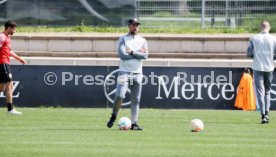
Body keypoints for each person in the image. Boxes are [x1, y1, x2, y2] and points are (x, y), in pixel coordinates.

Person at [107, 18, 148, 130]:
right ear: (129, 26)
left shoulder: (143, 40)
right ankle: (114, 115)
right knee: (120, 95)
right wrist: (138, 54)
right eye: (133, 25)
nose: (135, 27)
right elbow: (122, 55)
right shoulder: (123, 39)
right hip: (124, 72)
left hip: (137, 73)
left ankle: (134, 123)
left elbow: (145, 56)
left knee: (136, 99)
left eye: (137, 25)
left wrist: (132, 52)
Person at [247, 20, 276, 124]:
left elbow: (249, 53)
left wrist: (257, 55)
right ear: (269, 28)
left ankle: (263, 115)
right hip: (269, 68)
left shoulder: (253, 38)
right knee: (267, 91)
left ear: (260, 27)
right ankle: (267, 114)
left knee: (260, 92)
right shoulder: (274, 39)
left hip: (257, 67)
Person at [0, 21, 26, 114]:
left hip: (5, 63)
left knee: (2, 88)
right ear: (8, 28)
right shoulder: (2, 36)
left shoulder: (8, 38)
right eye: (13, 29)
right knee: (9, 85)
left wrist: (19, 58)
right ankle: (10, 109)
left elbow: (9, 51)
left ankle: (10, 109)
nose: (15, 31)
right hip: (2, 63)